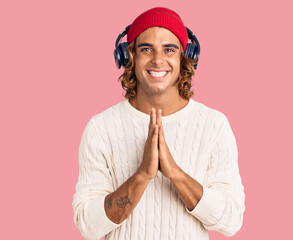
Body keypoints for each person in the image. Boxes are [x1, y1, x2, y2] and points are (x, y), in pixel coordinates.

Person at [72, 7, 245, 240]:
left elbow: (232, 221)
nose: (158, 59)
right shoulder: (100, 128)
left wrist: (175, 174)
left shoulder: (214, 125)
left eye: (169, 49)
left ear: (185, 56)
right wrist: (142, 175)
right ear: (128, 56)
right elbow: (88, 226)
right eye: (146, 49)